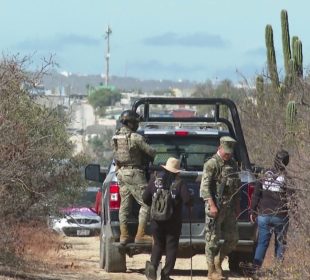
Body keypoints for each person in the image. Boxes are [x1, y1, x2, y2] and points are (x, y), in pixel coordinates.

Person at [142, 157, 193, 280]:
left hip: (156, 220)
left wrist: (155, 206)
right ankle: (165, 275)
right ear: (177, 171)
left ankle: (153, 268)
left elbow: (145, 198)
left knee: (158, 244)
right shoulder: (179, 182)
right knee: (171, 247)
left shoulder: (154, 179)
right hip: (173, 221)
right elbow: (187, 200)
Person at [112, 109, 156, 245]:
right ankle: (140, 235)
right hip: (134, 173)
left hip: (120, 173)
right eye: (136, 122)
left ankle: (124, 235)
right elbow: (151, 152)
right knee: (146, 203)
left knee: (124, 206)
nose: (137, 125)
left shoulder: (115, 137)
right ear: (130, 123)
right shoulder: (135, 137)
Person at [200, 136, 241, 280]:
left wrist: (237, 205)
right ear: (220, 148)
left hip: (229, 207)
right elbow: (204, 188)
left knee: (233, 238)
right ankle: (211, 271)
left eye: (230, 152)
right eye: (226, 152)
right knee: (212, 239)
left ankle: (219, 259)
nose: (228, 155)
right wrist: (211, 205)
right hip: (215, 207)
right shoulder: (211, 164)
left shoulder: (233, 164)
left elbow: (237, 186)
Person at [250, 149, 291, 269]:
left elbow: (256, 194)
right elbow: (292, 199)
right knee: (280, 244)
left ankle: (255, 270)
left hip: (263, 215)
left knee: (262, 244)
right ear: (286, 162)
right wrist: (296, 217)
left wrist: (252, 211)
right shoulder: (287, 178)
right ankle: (277, 271)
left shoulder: (264, 174)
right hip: (281, 217)